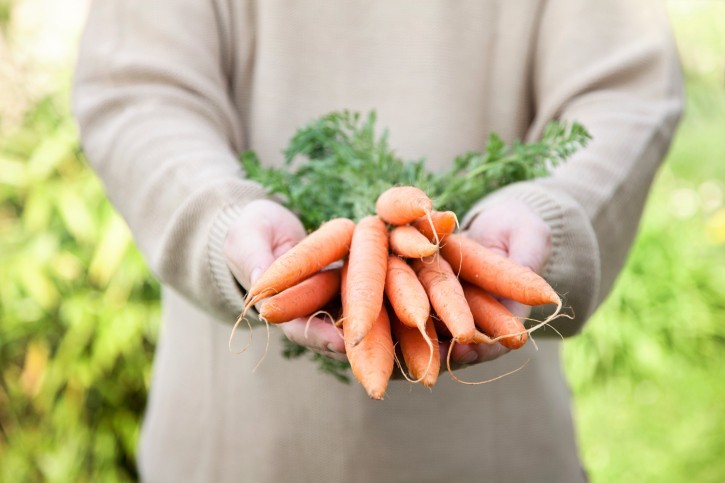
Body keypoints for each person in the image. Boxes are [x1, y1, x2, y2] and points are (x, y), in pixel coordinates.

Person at [73, 1, 683, 481]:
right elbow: (137, 89)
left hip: (495, 455)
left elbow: (626, 90)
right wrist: (227, 221)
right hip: (234, 451)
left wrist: (548, 214)